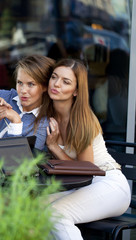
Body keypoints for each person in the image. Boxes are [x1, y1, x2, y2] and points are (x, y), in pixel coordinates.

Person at [43, 59, 131, 240]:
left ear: (76, 91)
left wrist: (53, 147)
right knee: (30, 207)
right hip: (83, 186)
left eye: (66, 82)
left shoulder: (82, 119)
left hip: (108, 183)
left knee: (56, 214)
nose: (57, 84)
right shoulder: (49, 115)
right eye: (54, 77)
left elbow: (85, 169)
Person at [0, 55, 55, 175]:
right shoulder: (6, 96)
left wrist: (16, 121)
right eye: (20, 83)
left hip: (4, 182)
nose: (23, 90)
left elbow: (14, 164)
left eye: (31, 84)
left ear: (45, 86)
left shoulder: (43, 124)